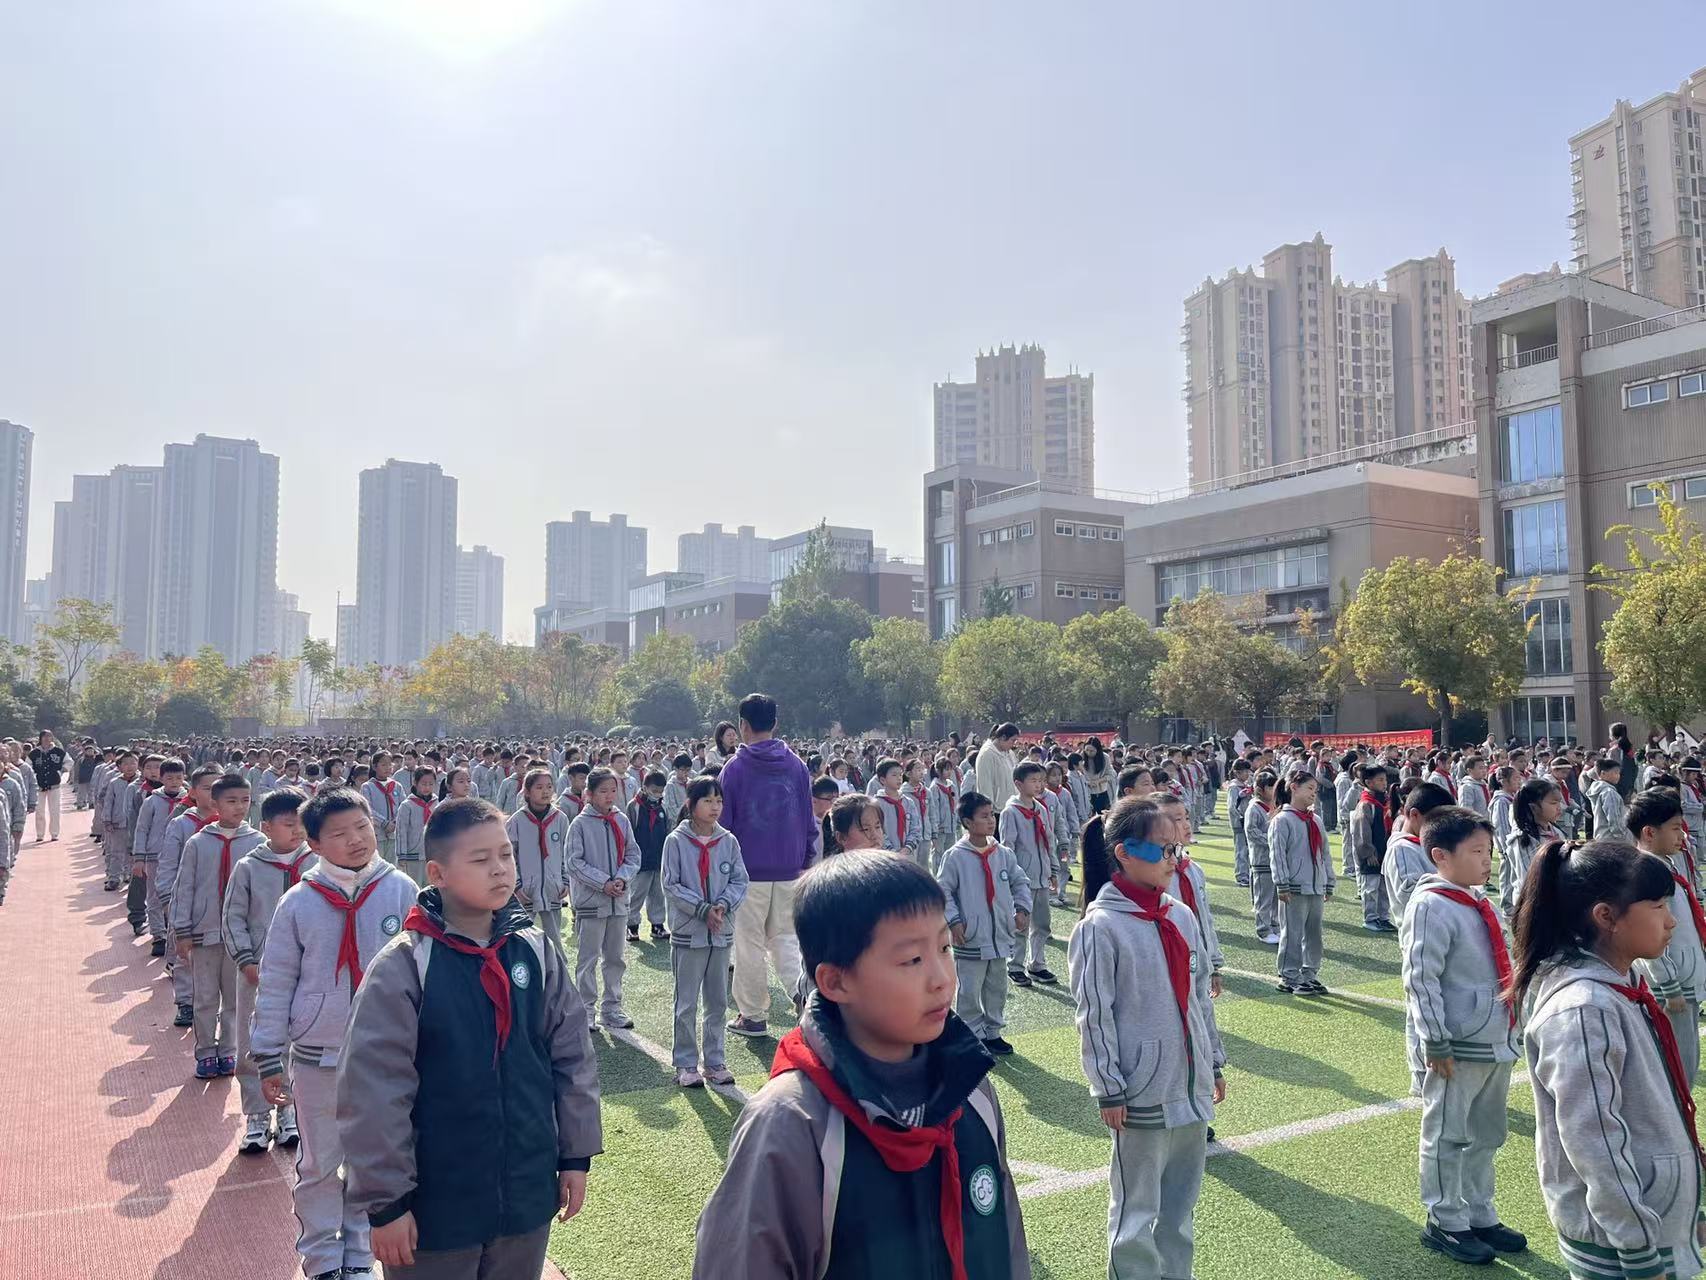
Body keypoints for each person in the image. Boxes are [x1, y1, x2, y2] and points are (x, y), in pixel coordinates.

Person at [692, 852, 1031, 1280]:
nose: (943, 977)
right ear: (836, 981)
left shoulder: (971, 1091)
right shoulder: (793, 1124)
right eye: (912, 960)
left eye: (944, 947)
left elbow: (1007, 1242)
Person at [338, 796, 604, 1280]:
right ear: (437, 874)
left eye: (506, 855)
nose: (500, 869)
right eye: (481, 860)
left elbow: (572, 1058)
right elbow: (373, 1092)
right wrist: (387, 1204)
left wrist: (575, 1154)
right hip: (435, 1206)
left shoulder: (535, 950)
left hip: (524, 1192)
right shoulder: (405, 965)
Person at [1513, 838, 1701, 1280]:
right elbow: (1594, 1141)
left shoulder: (1620, 981)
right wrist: (1637, 1249)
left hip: (1648, 1214)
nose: (1671, 921)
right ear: (1606, 917)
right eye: (1657, 906)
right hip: (1623, 1244)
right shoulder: (1585, 1007)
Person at [251, 786, 417, 1280]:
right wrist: (267, 1055)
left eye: (362, 827)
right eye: (340, 834)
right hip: (318, 1055)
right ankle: (323, 1257)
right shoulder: (299, 902)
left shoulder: (401, 890)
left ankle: (360, 1256)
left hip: (385, 1056)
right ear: (315, 845)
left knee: (375, 1161)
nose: (357, 840)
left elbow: (422, 971)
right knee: (321, 1164)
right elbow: (278, 978)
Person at [1069, 796, 1224, 1280]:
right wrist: (1108, 1086)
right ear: (1124, 852)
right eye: (1161, 849)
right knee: (1137, 1210)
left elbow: (1199, 997)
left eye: (1175, 849)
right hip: (1139, 1088)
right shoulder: (1100, 926)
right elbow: (1094, 1015)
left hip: (1191, 1083)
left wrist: (1213, 1060)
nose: (1172, 860)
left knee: (1180, 1208)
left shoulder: (1179, 915)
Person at [1398, 806, 1525, 1265]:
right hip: (1457, 1044)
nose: (1487, 859)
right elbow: (1421, 978)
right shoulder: (1431, 905)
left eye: (1488, 850)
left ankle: (1479, 1210)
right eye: (1476, 851)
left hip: (1496, 1037)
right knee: (1447, 1134)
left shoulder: (1481, 901)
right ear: (1441, 856)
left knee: (1487, 1133)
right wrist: (1435, 1039)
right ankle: (1444, 1219)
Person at [719, 693, 815, 1040]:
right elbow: (808, 819)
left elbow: (724, 826)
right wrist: (803, 859)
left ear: (742, 725)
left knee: (749, 945)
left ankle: (754, 1016)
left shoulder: (735, 768)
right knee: (787, 940)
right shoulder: (797, 765)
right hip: (790, 867)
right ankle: (803, 999)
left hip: (748, 872)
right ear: (775, 723)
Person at [224, 785, 314, 1153]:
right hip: (257, 972)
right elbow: (233, 917)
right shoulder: (249, 867)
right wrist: (246, 959)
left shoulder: (316, 865)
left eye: (301, 825)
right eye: (288, 824)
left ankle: (290, 1111)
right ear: (266, 826)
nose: (296, 832)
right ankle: (257, 1116)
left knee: (299, 1040)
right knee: (254, 1043)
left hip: (307, 970)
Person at [661, 776, 748, 1088]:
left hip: (721, 931)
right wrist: (702, 909)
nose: (715, 807)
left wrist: (722, 906)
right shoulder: (675, 841)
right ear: (691, 805)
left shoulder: (728, 841)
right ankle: (686, 1063)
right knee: (686, 1001)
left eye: (719, 801)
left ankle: (715, 1061)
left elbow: (740, 880)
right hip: (690, 933)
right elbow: (671, 885)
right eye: (708, 801)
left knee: (717, 1002)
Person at [174, 773, 262, 1079]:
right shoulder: (198, 842)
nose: (239, 807)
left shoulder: (258, 843)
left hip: (241, 938)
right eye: (231, 801)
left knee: (236, 1000)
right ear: (215, 803)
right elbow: (184, 887)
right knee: (206, 997)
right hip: (204, 932)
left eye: (245, 800)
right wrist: (182, 930)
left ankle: (228, 1050)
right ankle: (205, 1053)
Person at [939, 789, 1031, 1057]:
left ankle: (993, 1032)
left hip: (1000, 935)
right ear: (967, 822)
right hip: (971, 936)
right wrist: (955, 922)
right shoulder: (955, 856)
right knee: (969, 990)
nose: (991, 820)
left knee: (997, 987)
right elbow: (944, 892)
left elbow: (1019, 882)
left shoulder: (1002, 853)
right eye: (984, 816)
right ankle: (972, 1034)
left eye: (992, 815)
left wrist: (1022, 909)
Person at [1629, 787, 1706, 1085]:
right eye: (1675, 829)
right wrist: (1669, 985)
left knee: (1685, 1062)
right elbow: (1648, 936)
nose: (1681, 836)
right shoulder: (1646, 872)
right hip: (1673, 987)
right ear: (1649, 832)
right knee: (1675, 1068)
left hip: (1686, 978)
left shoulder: (1665, 865)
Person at [566, 765, 638, 1029]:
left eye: (613, 790)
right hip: (591, 902)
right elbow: (574, 862)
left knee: (615, 958)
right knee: (588, 958)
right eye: (603, 791)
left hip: (618, 901)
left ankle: (612, 1008)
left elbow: (633, 854)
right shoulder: (580, 824)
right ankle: (585, 1010)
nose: (610, 796)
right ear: (589, 794)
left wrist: (621, 878)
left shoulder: (621, 820)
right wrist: (603, 883)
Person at [1270, 767, 1334, 995]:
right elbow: (1277, 854)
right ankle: (1289, 976)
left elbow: (1324, 853)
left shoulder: (1314, 819)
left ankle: (1309, 973)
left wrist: (1329, 881)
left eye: (1315, 790)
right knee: (1292, 933)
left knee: (1314, 933)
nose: (1313, 794)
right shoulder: (1282, 820)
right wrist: (1282, 884)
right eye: (1309, 788)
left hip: (1315, 886)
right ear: (1293, 788)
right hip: (1294, 888)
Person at [1000, 762, 1057, 987]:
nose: (1039, 784)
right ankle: (1015, 965)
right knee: (1021, 923)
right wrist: (1013, 878)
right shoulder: (1010, 812)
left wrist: (1053, 869)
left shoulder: (1040, 809)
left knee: (1042, 923)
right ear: (1018, 783)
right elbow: (1008, 847)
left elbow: (1048, 841)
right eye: (1033, 780)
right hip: (1023, 879)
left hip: (1042, 876)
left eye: (1040, 780)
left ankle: (1037, 964)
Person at [1386, 782, 1456, 921]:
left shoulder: (1427, 843)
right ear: (1415, 815)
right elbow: (1410, 893)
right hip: (1423, 927)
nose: (1441, 827)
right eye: (1436, 820)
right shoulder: (1402, 848)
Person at [1502, 777, 1565, 923]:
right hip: (1534, 908)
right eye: (1553, 803)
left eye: (1559, 802)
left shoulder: (1556, 832)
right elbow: (1529, 879)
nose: (1559, 807)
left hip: (1556, 901)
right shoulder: (1522, 839)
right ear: (1533, 807)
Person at [1346, 763, 1396, 933]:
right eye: (1380, 780)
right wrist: (1368, 852)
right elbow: (1362, 831)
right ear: (1369, 782)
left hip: (1384, 850)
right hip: (1372, 853)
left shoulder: (1384, 801)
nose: (1384, 783)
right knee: (1371, 887)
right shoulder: (1366, 804)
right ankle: (1370, 918)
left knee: (1384, 887)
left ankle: (1383, 917)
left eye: (1385, 779)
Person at [627, 769, 672, 942]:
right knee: (637, 893)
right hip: (640, 860)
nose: (657, 794)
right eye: (654, 791)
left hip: (658, 859)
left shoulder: (663, 807)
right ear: (644, 788)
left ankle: (658, 925)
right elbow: (629, 833)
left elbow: (668, 830)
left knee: (658, 894)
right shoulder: (634, 806)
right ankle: (631, 926)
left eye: (661, 791)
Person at [1244, 769, 1281, 944]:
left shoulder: (1274, 806)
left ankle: (1274, 926)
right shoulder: (1254, 807)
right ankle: (1263, 930)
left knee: (1275, 898)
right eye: (1270, 787)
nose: (1274, 791)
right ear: (1261, 788)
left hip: (1274, 860)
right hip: (1261, 859)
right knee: (1263, 898)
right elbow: (1251, 832)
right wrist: (1271, 840)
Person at [395, 766, 436, 886]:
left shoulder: (436, 803)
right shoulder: (407, 805)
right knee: (413, 887)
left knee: (430, 888)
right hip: (412, 856)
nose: (427, 787)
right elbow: (401, 832)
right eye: (423, 783)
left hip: (430, 855)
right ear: (415, 783)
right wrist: (401, 855)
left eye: (430, 784)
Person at [27, 729, 66, 843]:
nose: (47, 739)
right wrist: (33, 776)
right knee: (39, 811)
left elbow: (69, 762)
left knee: (55, 810)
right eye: (44, 736)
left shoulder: (58, 752)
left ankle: (54, 833)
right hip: (39, 786)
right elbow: (28, 767)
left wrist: (61, 772)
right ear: (41, 738)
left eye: (49, 736)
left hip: (54, 785)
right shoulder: (34, 753)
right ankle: (40, 834)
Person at [976, 723, 1022, 813]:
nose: (1013, 744)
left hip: (1012, 806)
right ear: (1003, 737)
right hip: (997, 810)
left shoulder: (1010, 753)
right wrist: (988, 810)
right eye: (1012, 740)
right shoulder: (987, 754)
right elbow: (985, 785)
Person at [1587, 755, 1631, 843]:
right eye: (1615, 773)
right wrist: (1621, 836)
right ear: (1603, 773)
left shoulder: (1598, 789)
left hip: (1601, 835)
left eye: (1619, 773)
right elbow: (1613, 817)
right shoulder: (1609, 792)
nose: (1618, 776)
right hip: (1612, 839)